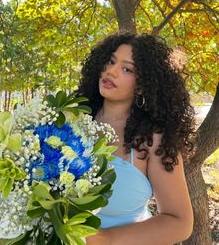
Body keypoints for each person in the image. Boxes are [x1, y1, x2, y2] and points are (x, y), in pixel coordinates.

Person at [77, 33, 195, 245]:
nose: (111, 71)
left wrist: (107, 239)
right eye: (111, 61)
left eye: (127, 69)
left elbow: (180, 222)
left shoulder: (153, 140)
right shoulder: (70, 120)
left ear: (142, 85)